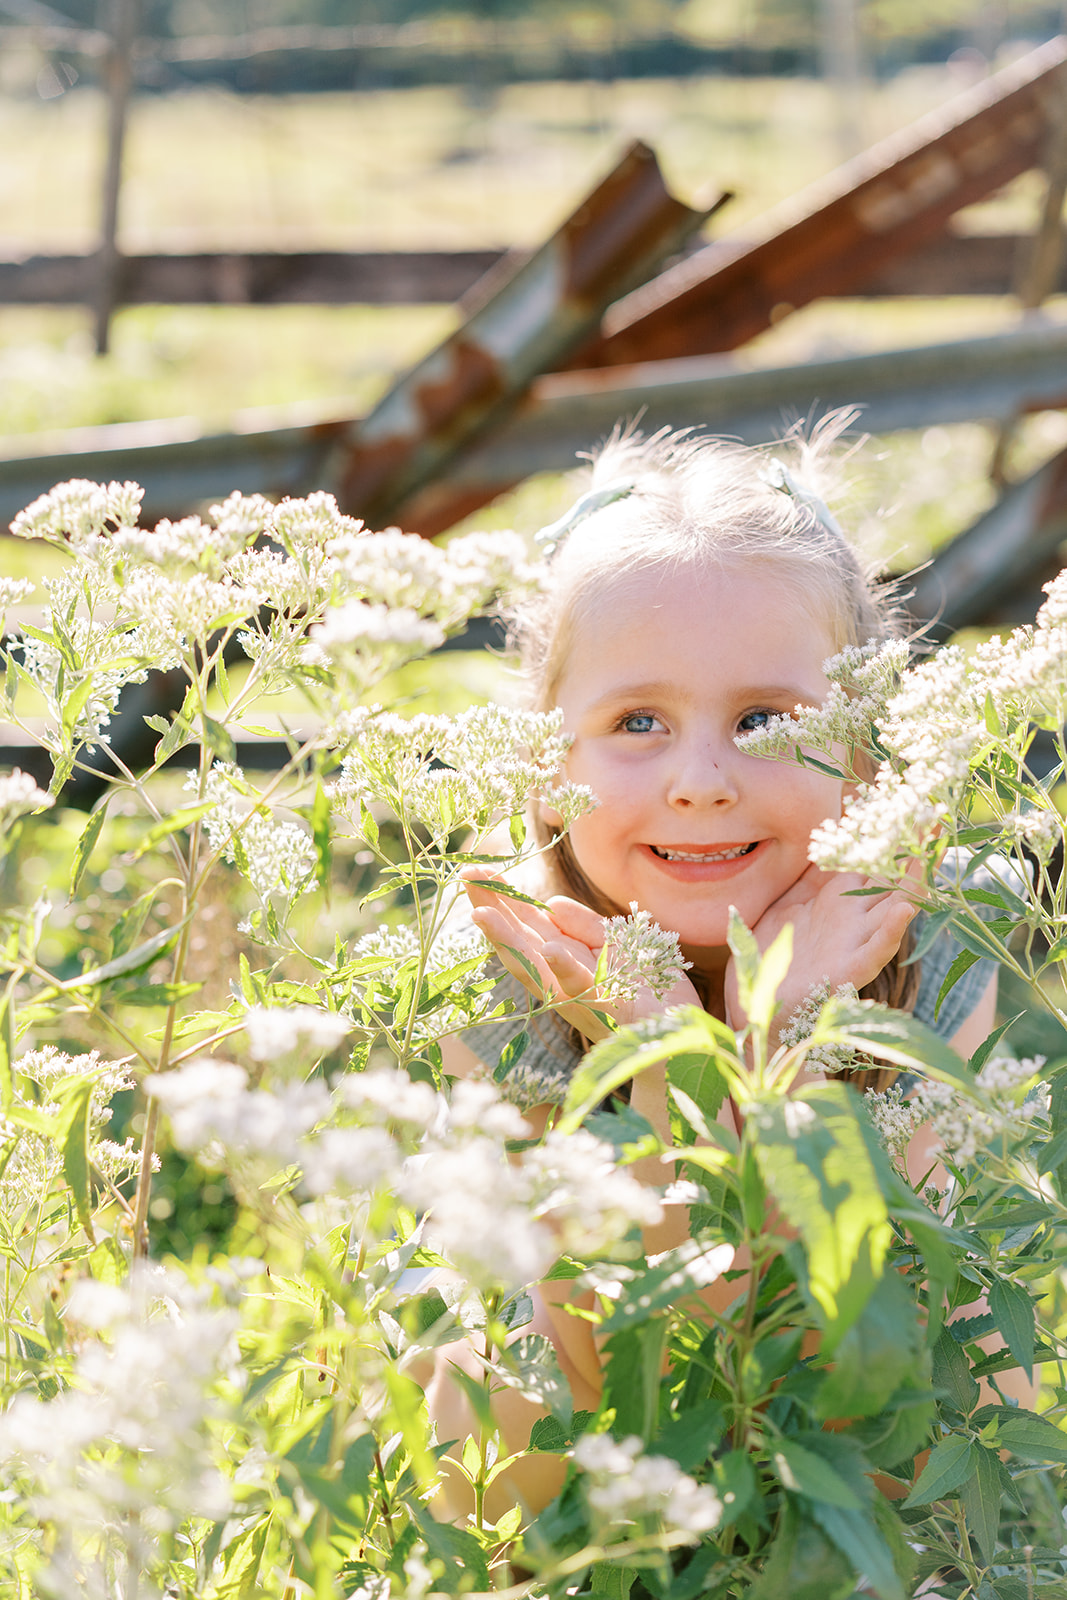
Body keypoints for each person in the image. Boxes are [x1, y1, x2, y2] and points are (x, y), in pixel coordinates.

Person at [425, 424, 1003, 1520]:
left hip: (851, 1518)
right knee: (481, 1363)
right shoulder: (499, 955)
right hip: (574, 1526)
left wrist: (780, 1037)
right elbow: (556, 1426)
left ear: (863, 754)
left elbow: (905, 1415)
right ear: (546, 767)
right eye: (636, 720)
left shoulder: (924, 934)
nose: (700, 779)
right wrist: (673, 1066)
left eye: (763, 721)